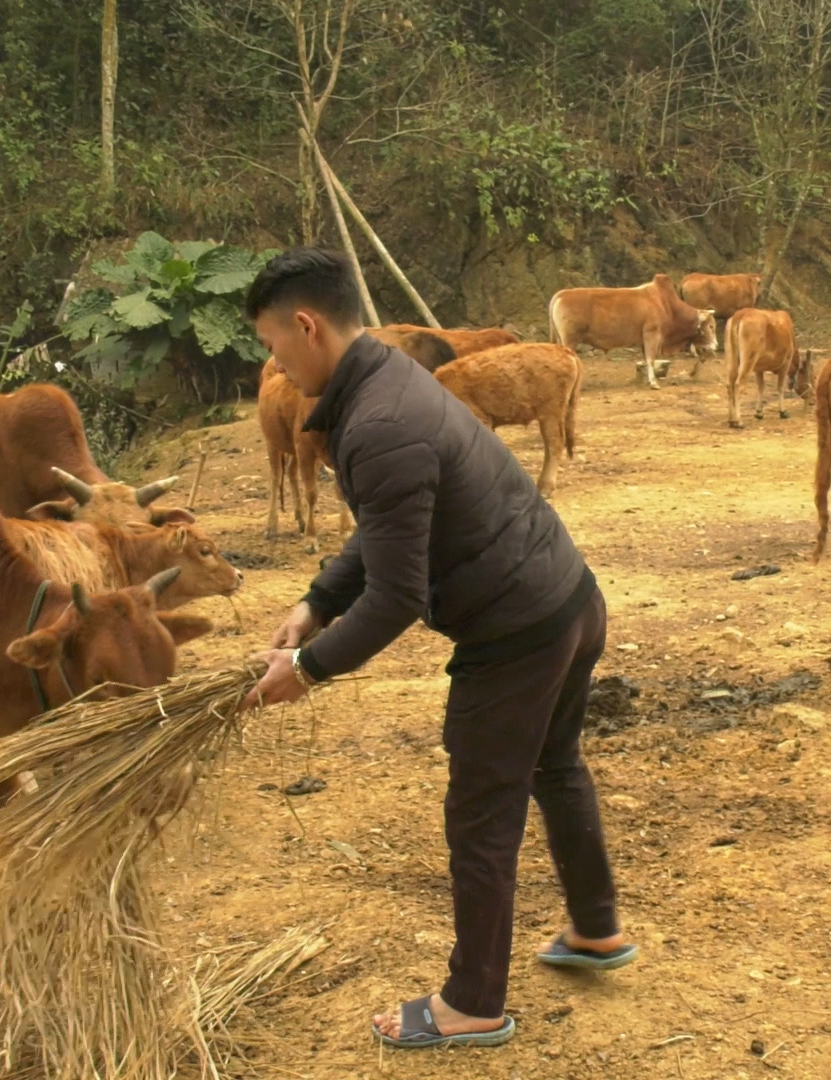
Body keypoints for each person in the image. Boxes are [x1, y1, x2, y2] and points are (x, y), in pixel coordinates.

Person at [239, 248, 633, 1050]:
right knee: (554, 768)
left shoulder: (379, 422)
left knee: (479, 818)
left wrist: (306, 670)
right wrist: (316, 602)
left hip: (516, 632)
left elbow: (397, 595)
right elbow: (387, 534)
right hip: (568, 597)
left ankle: (473, 1001)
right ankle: (596, 930)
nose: (272, 364)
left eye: (273, 346)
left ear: (307, 326)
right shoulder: (387, 376)